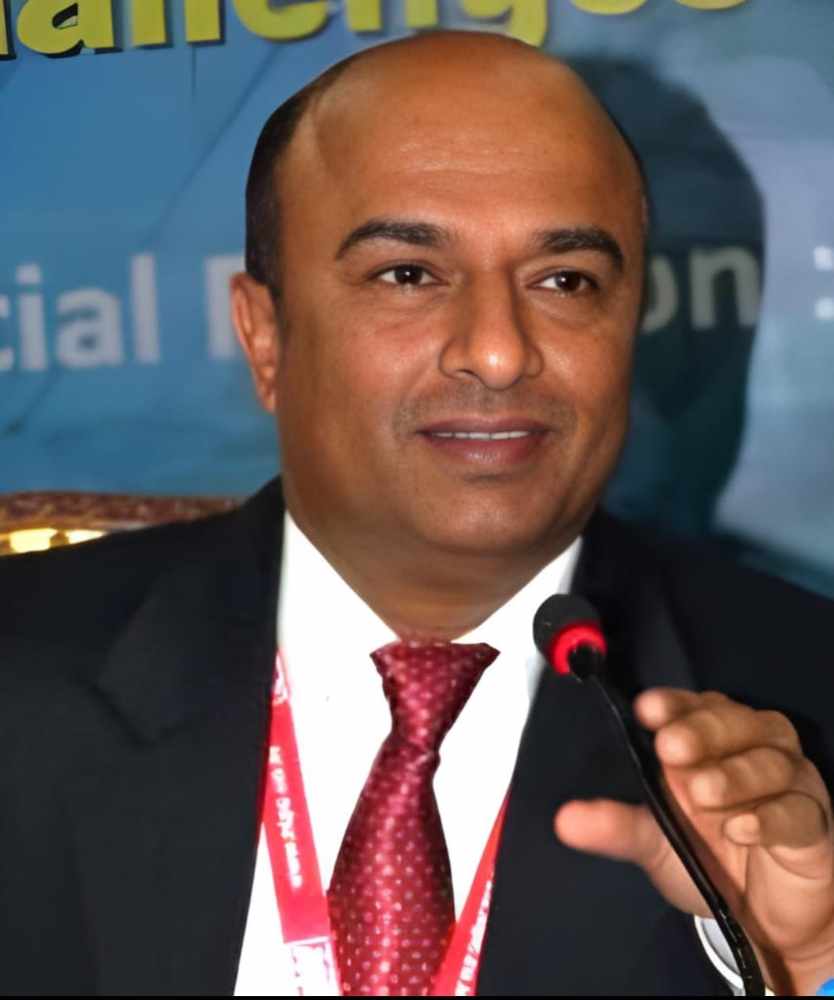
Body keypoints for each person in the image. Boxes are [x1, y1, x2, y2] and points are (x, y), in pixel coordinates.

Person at [1, 30, 833, 997]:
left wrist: (811, 962)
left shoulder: (801, 702)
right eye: (408, 274)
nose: (498, 352)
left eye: (565, 281)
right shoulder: (22, 673)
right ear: (265, 338)